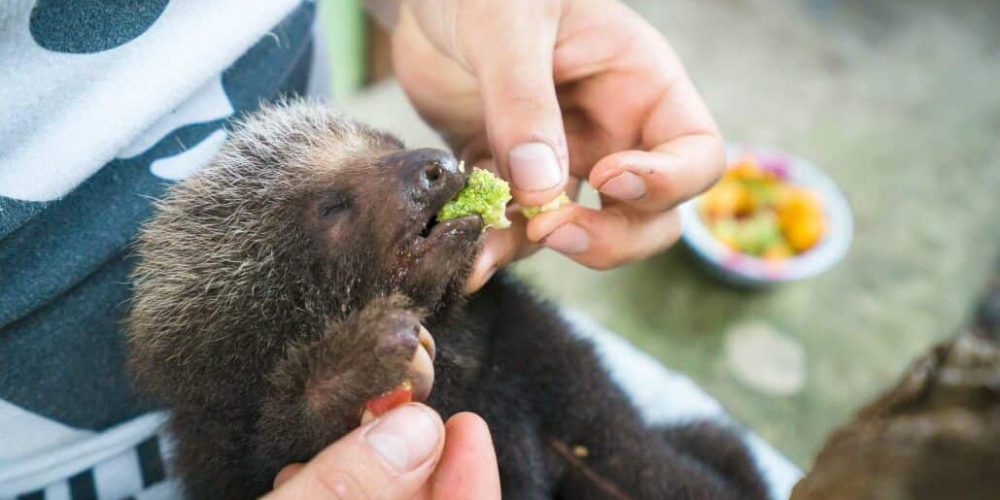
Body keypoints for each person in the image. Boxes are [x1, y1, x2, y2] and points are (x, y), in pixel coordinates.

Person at [0, 0, 721, 498]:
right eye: (337, 207)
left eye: (383, 147)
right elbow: (267, 442)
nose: (425, 164)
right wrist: (331, 392)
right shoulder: (230, 393)